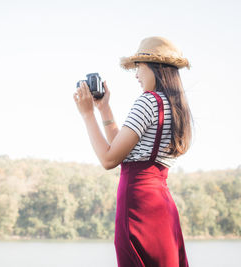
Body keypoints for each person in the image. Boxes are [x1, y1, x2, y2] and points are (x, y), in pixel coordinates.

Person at [73, 36, 192, 267]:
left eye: (139, 66)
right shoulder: (174, 105)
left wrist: (87, 114)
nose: (136, 74)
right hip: (162, 205)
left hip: (137, 205)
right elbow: (122, 148)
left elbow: (109, 159)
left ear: (156, 67)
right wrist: (104, 109)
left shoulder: (148, 101)